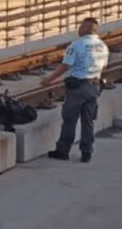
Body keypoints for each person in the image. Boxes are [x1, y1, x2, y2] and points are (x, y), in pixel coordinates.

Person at [41, 17, 110, 163]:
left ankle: (63, 150)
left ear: (85, 28)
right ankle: (87, 152)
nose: (78, 29)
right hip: (94, 86)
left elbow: (65, 66)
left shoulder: (77, 45)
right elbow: (104, 67)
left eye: (80, 26)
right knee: (88, 120)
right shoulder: (102, 46)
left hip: (78, 87)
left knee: (70, 120)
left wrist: (49, 79)